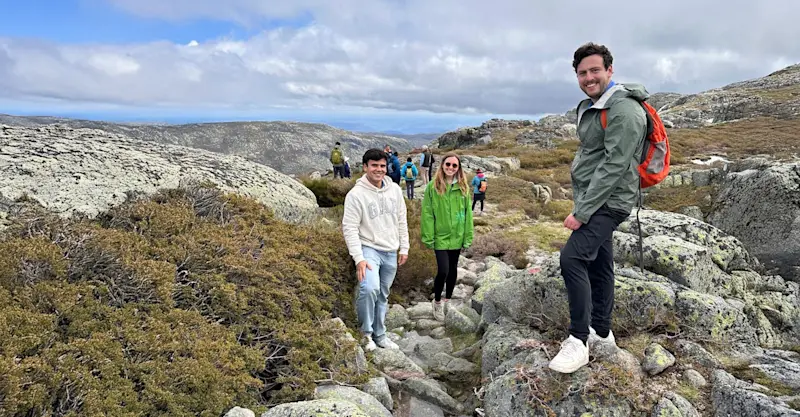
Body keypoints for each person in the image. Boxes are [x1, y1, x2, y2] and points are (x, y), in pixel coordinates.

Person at [548, 42, 648, 374]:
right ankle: (602, 332)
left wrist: (582, 212)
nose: (589, 78)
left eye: (595, 71)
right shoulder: (593, 105)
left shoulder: (625, 110)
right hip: (596, 198)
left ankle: (578, 341)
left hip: (610, 201)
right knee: (600, 263)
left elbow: (615, 165)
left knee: (572, 258)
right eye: (582, 73)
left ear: (609, 70)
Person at [342, 148, 410, 352]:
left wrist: (404, 247)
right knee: (369, 288)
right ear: (365, 167)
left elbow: (401, 219)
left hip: (391, 249)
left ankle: (380, 335)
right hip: (368, 248)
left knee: (383, 293)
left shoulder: (395, 190)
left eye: (382, 166)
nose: (379, 170)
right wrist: (358, 258)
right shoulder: (356, 195)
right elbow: (349, 227)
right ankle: (366, 334)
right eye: (374, 165)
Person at [421, 153, 474, 321]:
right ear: (442, 165)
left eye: (454, 166)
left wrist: (467, 236)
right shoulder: (432, 187)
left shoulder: (463, 188)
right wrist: (428, 236)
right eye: (448, 164)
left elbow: (468, 215)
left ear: (458, 168)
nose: (451, 168)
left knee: (452, 271)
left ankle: (447, 301)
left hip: (457, 237)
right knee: (443, 270)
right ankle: (436, 302)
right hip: (440, 237)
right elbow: (427, 213)